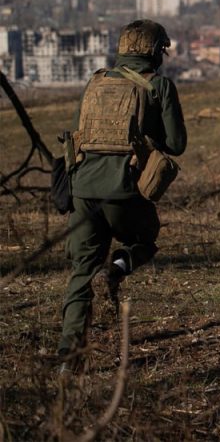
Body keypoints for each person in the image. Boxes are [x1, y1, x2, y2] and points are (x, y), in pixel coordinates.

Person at [57, 20, 187, 365]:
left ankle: (69, 360)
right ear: (155, 52)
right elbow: (177, 144)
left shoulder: (95, 83)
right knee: (145, 239)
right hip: (125, 190)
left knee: (80, 272)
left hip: (83, 190)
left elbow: (75, 135)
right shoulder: (159, 85)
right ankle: (114, 270)